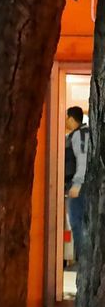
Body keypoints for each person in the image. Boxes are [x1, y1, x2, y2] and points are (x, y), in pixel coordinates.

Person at [66, 106, 90, 265]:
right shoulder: (86, 133)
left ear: (71, 118)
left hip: (79, 187)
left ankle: (84, 262)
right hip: (86, 186)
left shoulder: (78, 135)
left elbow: (82, 159)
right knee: (84, 223)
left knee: (77, 223)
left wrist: (77, 184)